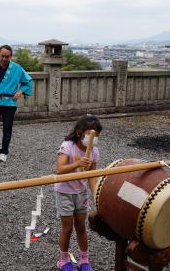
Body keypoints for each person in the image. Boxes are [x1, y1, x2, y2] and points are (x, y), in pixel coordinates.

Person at [54, 114, 102, 271]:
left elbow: (92, 177)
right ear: (80, 133)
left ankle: (84, 259)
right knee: (67, 228)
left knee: (81, 226)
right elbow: (60, 170)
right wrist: (77, 163)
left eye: (96, 136)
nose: (93, 139)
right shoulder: (68, 145)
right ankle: (63, 260)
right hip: (64, 191)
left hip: (80, 192)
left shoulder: (94, 152)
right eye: (90, 135)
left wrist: (97, 197)